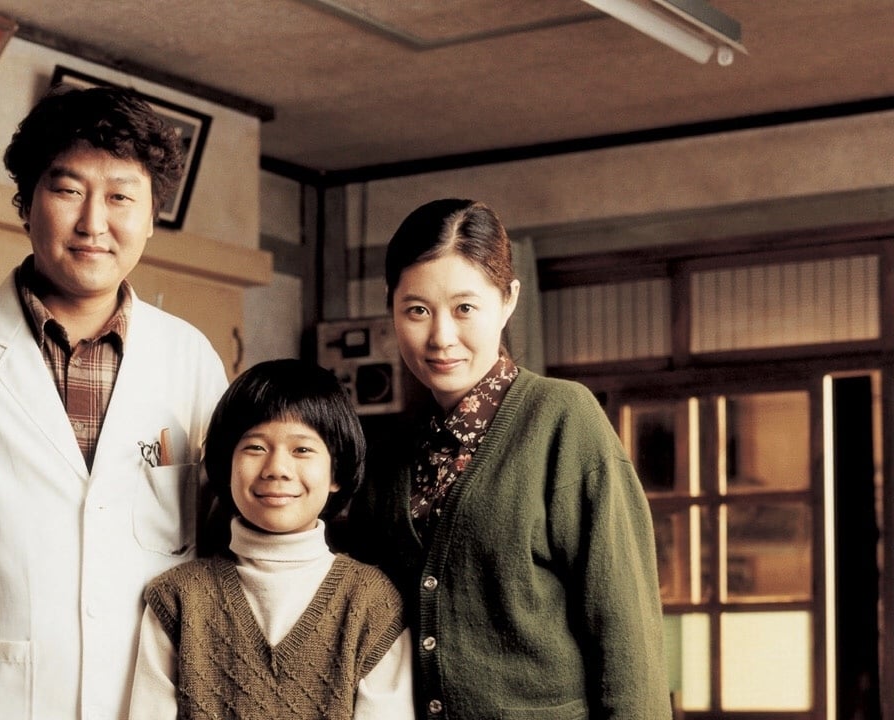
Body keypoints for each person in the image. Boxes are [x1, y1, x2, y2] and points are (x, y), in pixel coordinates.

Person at [0, 85, 230, 719]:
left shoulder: (190, 361)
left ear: (151, 217)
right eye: (69, 190)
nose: (94, 224)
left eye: (121, 197)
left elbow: (224, 557)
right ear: (26, 204)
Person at [346, 199, 671, 719]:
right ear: (392, 310)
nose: (441, 337)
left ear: (508, 301)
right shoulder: (388, 453)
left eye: (464, 308)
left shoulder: (564, 418)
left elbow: (626, 632)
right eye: (417, 310)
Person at [129, 358, 415, 720]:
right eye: (255, 447)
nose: (277, 469)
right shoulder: (177, 598)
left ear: (337, 472)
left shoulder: (373, 602)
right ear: (226, 465)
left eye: (302, 450)